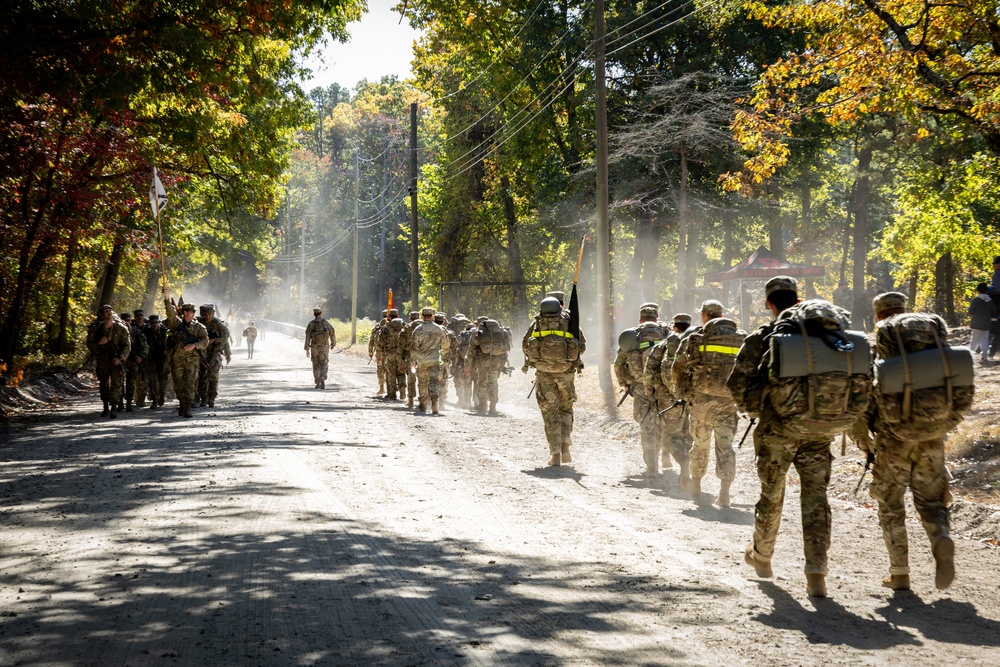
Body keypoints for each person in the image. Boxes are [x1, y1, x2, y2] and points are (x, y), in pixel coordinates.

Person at [853, 292, 972, 591]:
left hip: (893, 439)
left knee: (890, 504)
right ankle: (940, 536)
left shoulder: (882, 347)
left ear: (878, 316)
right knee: (931, 500)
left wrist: (863, 439)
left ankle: (900, 573)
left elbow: (867, 397)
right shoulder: (934, 342)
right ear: (903, 309)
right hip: (933, 435)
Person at [727, 276, 833, 598]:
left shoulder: (763, 337)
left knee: (772, 494)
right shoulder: (826, 335)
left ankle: (762, 555)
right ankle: (816, 572)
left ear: (769, 304)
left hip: (778, 431)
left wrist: (755, 409)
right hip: (819, 430)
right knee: (816, 498)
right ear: (797, 299)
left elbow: (737, 384)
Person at [672, 300, 744, 505]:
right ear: (721, 315)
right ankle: (724, 494)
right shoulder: (741, 338)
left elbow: (678, 366)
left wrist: (682, 394)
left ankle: (696, 486)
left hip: (701, 402)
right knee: (726, 446)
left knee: (700, 444)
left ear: (704, 315)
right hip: (729, 403)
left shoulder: (695, 338)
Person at [522, 296, 586, 466]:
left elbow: (525, 347)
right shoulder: (570, 323)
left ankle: (555, 454)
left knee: (550, 413)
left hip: (544, 375)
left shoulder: (536, 324)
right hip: (566, 374)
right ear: (559, 308)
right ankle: (565, 447)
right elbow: (581, 347)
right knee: (566, 409)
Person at [614, 302, 668, 477]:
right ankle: (667, 456)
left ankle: (652, 468)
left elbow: (618, 364)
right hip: (664, 387)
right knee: (667, 422)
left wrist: (625, 383)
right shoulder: (668, 333)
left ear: (640, 319)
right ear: (657, 317)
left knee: (647, 426)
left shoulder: (632, 336)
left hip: (641, 387)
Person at [643, 313, 693, 489]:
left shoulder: (663, 346)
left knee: (671, 435)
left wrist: (650, 394)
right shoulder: (695, 345)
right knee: (688, 435)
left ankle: (684, 463)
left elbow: (649, 371)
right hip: (691, 400)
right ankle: (691, 468)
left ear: (674, 326)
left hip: (668, 401)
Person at [163, 292, 209, 418]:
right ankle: (182, 403)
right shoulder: (176, 324)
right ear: (184, 313)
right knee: (178, 384)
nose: (190, 314)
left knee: (190, 383)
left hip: (192, 360)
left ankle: (187, 406)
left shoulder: (199, 327)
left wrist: (194, 345)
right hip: (177, 359)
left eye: (192, 312)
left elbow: (205, 341)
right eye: (187, 311)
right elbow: (170, 313)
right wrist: (166, 298)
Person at [87, 305, 131, 418]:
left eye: (110, 311)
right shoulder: (97, 329)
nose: (109, 313)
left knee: (117, 384)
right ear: (102, 315)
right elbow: (89, 344)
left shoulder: (121, 328)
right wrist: (99, 343)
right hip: (102, 361)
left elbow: (127, 346)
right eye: (106, 311)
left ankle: (114, 407)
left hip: (116, 361)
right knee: (104, 384)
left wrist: (120, 358)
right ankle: (106, 406)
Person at [408, 307, 450, 414]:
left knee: (422, 382)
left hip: (422, 361)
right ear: (432, 316)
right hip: (435, 360)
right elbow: (446, 345)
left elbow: (414, 347)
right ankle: (435, 402)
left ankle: (423, 404)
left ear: (422, 316)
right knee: (434, 381)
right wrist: (441, 353)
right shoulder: (439, 329)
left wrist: (413, 362)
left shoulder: (418, 330)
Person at [466, 316, 511, 416]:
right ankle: (492, 407)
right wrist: (502, 365)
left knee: (482, 381)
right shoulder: (500, 332)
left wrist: (467, 365)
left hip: (483, 360)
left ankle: (482, 406)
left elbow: (471, 350)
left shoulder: (478, 333)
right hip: (497, 360)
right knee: (493, 381)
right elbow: (505, 350)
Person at [197, 304, 231, 407]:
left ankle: (211, 397)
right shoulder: (198, 323)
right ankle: (203, 397)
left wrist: (227, 353)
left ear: (213, 313)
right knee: (201, 375)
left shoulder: (219, 325)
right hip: (201, 353)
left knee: (213, 375)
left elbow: (225, 339)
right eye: (205, 315)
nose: (207, 317)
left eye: (209, 314)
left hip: (214, 353)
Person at [120, 311, 148, 413]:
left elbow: (145, 346)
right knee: (118, 382)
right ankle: (119, 402)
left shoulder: (136, 332)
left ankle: (128, 402)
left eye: (128, 320)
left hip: (133, 361)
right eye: (124, 321)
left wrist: (141, 357)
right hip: (121, 361)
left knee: (130, 382)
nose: (126, 323)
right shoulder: (117, 332)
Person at [304, 307, 336, 389]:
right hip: (324, 346)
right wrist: (333, 343)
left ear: (314, 314)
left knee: (315, 363)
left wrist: (307, 349)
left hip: (314, 347)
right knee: (324, 362)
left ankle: (317, 381)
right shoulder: (325, 323)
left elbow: (307, 337)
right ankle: (323, 376)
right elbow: (332, 332)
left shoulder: (311, 324)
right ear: (321, 313)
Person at [377, 316, 407, 400]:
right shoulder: (404, 330)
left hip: (390, 354)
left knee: (391, 373)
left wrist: (378, 355)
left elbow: (380, 343)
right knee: (401, 372)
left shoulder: (386, 330)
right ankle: (402, 388)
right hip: (402, 354)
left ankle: (392, 394)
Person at [144, 314, 168, 409]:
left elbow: (169, 342)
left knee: (162, 379)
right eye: (152, 322)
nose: (154, 324)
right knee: (152, 380)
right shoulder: (146, 332)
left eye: (156, 322)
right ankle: (154, 400)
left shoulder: (163, 331)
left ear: (158, 322)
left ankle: (162, 396)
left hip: (162, 358)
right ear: (150, 323)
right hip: (151, 359)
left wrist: (166, 350)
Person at [435, 312, 459, 404]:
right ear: (443, 321)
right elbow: (455, 347)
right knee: (443, 380)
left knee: (432, 379)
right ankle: (441, 401)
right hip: (444, 360)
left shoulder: (430, 331)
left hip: (431, 359)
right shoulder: (450, 333)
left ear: (434, 320)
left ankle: (432, 400)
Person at [399, 311, 421, 408]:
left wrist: (400, 361)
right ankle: (424, 400)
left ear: (410, 318)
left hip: (410, 358)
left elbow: (401, 346)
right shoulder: (426, 327)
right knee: (424, 380)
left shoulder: (406, 329)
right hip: (424, 357)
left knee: (411, 379)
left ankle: (411, 400)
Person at [969, 283, 994, 364]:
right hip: (986, 323)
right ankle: (984, 357)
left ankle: (970, 355)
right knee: (985, 340)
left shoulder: (976, 300)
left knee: (975, 340)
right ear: (987, 291)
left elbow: (971, 311)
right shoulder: (990, 301)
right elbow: (994, 311)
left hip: (976, 323)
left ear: (978, 291)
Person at [369, 309, 389, 394]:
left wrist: (370, 350)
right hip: (391, 352)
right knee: (390, 370)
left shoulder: (378, 327)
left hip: (379, 352)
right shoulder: (395, 327)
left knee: (380, 370)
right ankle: (390, 389)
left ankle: (382, 388)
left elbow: (372, 339)